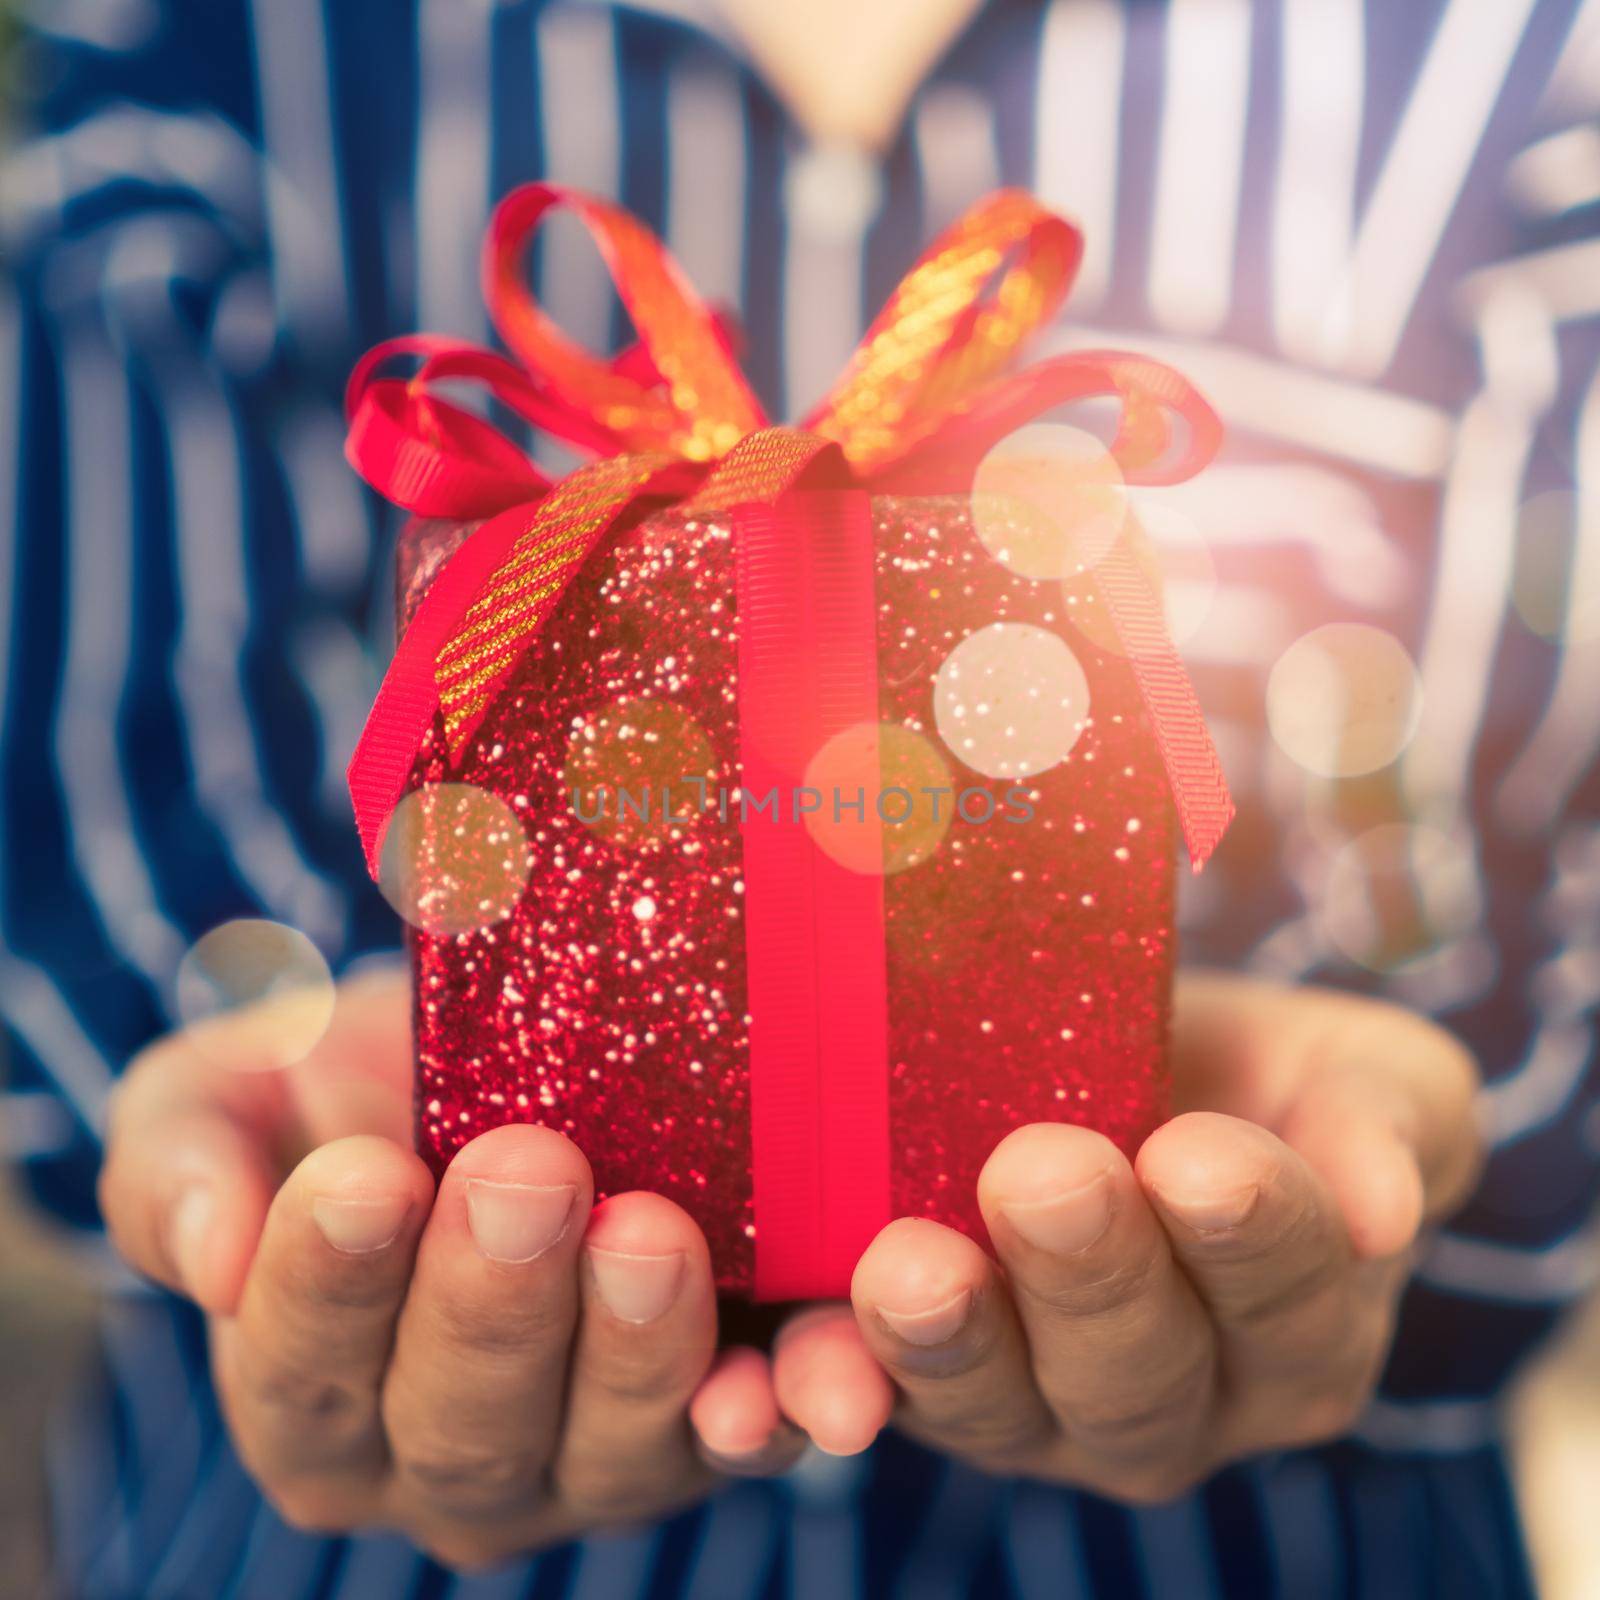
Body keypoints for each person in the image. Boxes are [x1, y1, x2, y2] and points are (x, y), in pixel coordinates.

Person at [4, 0, 1596, 1594]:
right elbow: (71, 803)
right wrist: (268, 1149)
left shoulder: (1505, 58)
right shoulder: (208, 39)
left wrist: (1404, 1212)